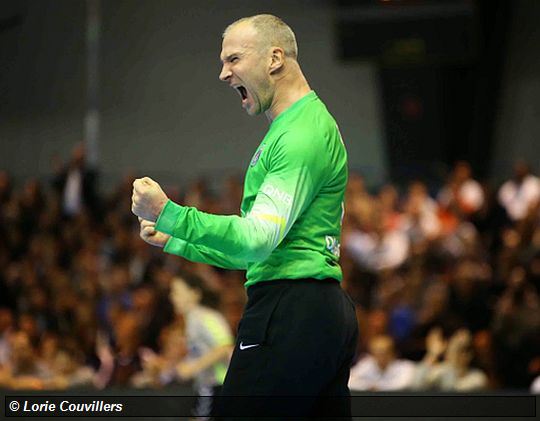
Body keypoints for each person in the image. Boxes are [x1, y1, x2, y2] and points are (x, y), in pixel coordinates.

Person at [131, 14, 358, 418]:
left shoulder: (299, 135)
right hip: (318, 310)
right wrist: (177, 239)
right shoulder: (299, 126)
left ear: (274, 59)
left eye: (233, 59)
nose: (223, 74)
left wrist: (169, 214)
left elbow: (255, 239)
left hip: (288, 311)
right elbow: (256, 252)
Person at [348, 335, 415, 391]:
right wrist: (367, 386)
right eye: (376, 353)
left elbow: (404, 384)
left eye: (383, 353)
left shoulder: (405, 366)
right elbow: (348, 380)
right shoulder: (366, 364)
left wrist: (378, 387)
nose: (380, 357)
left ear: (393, 353)